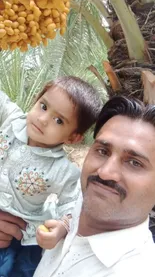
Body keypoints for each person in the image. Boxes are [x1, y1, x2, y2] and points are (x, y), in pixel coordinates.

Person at [33, 95, 155, 277]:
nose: (105, 173)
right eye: (102, 151)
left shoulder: (135, 270)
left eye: (135, 163)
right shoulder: (87, 199)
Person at [0, 75, 102, 277]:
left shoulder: (63, 171)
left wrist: (62, 228)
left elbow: (73, 205)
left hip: (18, 236)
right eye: (43, 106)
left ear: (73, 137)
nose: (43, 119)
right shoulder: (12, 121)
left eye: (58, 120)